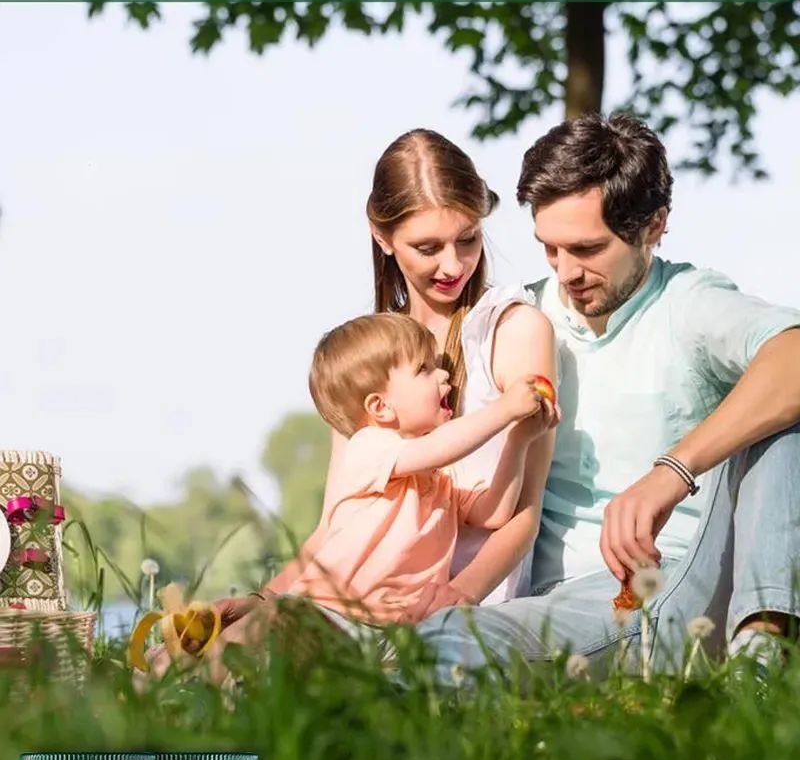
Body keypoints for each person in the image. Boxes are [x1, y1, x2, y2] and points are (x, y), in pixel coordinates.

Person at [414, 112, 800, 679]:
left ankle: (759, 664)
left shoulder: (687, 303)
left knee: (782, 405)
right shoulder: (522, 318)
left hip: (680, 578)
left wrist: (671, 470)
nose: (567, 272)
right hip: (556, 600)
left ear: (653, 226)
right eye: (549, 248)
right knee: (436, 641)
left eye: (587, 249)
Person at [217, 129, 558, 639]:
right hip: (356, 611)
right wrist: (269, 596)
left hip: (460, 613)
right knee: (213, 648)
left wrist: (455, 603)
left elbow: (520, 514)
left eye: (468, 238)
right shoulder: (372, 362)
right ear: (382, 237)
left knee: (259, 653)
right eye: (428, 247)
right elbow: (338, 525)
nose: (454, 264)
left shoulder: (513, 327)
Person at [251, 312, 556, 630]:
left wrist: (519, 440)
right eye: (424, 369)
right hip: (331, 611)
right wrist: (505, 409)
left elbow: (493, 514)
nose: (443, 376)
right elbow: (439, 446)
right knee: (282, 650)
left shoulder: (441, 476)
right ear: (380, 407)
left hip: (394, 627)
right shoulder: (367, 448)